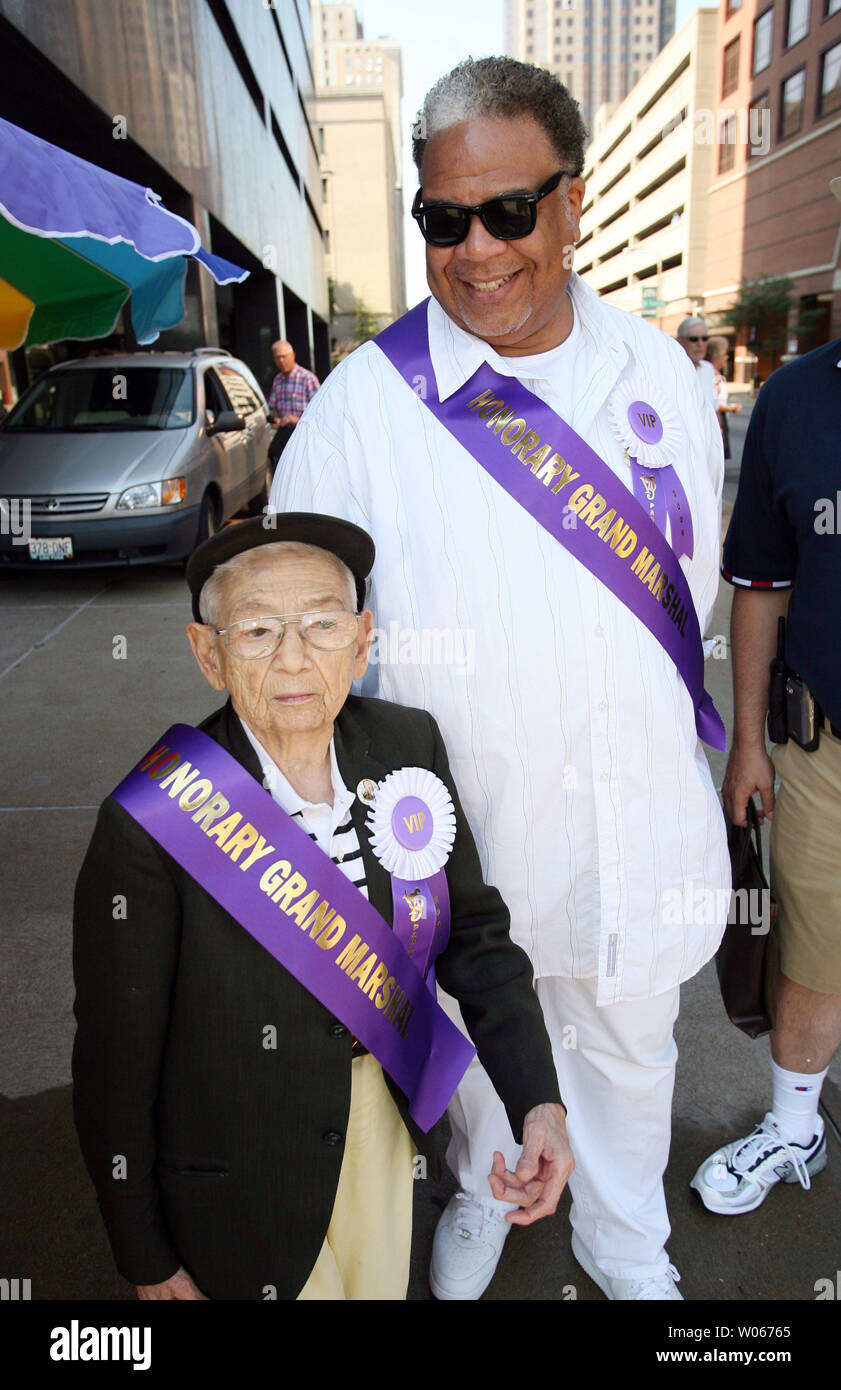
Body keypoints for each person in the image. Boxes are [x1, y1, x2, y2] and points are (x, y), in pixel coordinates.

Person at [270, 57, 729, 1301]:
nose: (475, 251)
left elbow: (691, 596)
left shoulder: (663, 380)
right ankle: (481, 1194)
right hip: (466, 844)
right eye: (441, 220)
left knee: (633, 1052)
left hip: (635, 813)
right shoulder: (358, 415)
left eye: (508, 213)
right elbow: (294, 651)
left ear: (571, 203)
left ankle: (626, 1244)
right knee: (475, 1057)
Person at [71, 513, 571, 1301]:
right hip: (235, 1171)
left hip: (384, 1121)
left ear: (363, 638)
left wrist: (537, 1102)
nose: (296, 657)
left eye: (322, 624)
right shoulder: (152, 818)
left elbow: (477, 939)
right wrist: (143, 1250)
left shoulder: (408, 746)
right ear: (209, 653)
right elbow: (114, 1058)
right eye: (259, 631)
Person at [691, 185, 841, 1214]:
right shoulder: (793, 399)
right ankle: (794, 1126)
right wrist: (746, 741)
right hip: (817, 747)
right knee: (811, 947)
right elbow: (758, 586)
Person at [266, 340, 320, 472]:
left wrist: (293, 419)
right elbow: (274, 409)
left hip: (303, 437)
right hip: (284, 436)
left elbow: (320, 413)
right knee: (275, 458)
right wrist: (276, 419)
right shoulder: (277, 380)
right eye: (278, 357)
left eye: (284, 356)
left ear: (293, 355)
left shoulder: (307, 379)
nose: (281, 361)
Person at [705, 336, 741, 461]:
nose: (727, 357)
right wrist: (731, 408)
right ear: (717, 355)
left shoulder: (713, 373)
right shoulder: (712, 375)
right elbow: (712, 403)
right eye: (725, 354)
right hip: (716, 419)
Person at [677, 315, 717, 413]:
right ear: (680, 341)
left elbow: (714, 409)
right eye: (694, 339)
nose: (700, 344)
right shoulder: (672, 371)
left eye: (704, 338)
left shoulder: (708, 368)